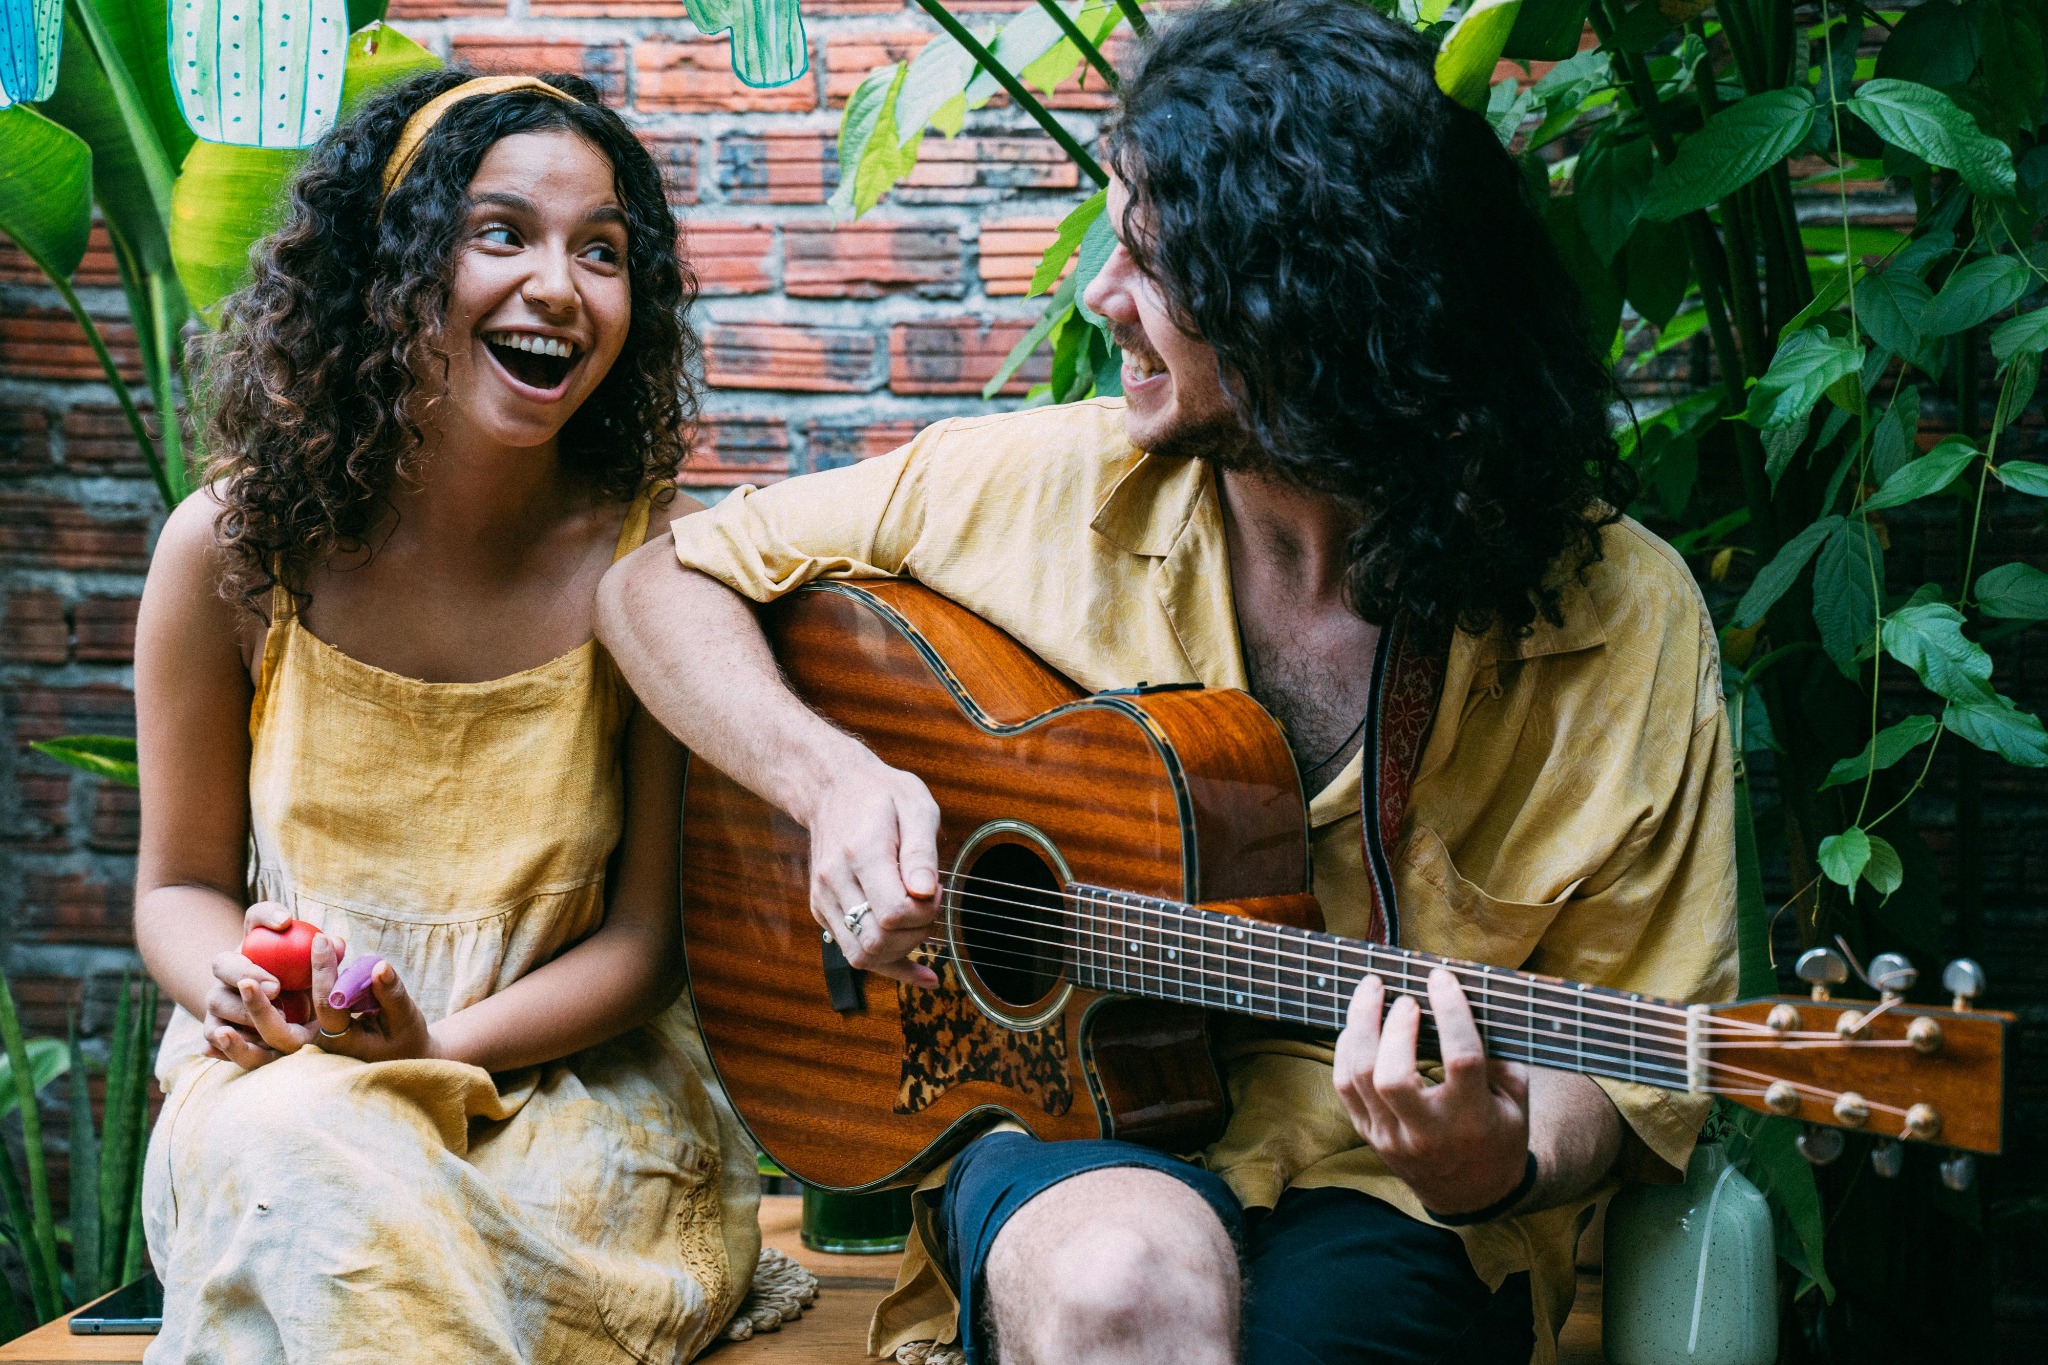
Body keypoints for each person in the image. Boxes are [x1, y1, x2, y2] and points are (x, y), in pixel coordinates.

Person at [600, 3, 1738, 1363]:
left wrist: (1494, 1154)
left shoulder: (1617, 616)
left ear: (1305, 295)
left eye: (1150, 260)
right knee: (1121, 1286)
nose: (1100, 297)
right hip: (1072, 1131)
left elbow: (1634, 1044)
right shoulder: (1037, 485)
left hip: (1399, 1202)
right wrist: (831, 779)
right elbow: (653, 584)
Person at [133, 70, 763, 1362]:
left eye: (604, 251)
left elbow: (648, 944)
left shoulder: (656, 570)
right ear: (391, 262)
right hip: (280, 1080)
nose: (560, 285)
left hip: (566, 1109)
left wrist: (434, 1052)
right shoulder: (233, 552)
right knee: (302, 1150)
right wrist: (246, 989)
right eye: (502, 232)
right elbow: (178, 885)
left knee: (315, 1218)